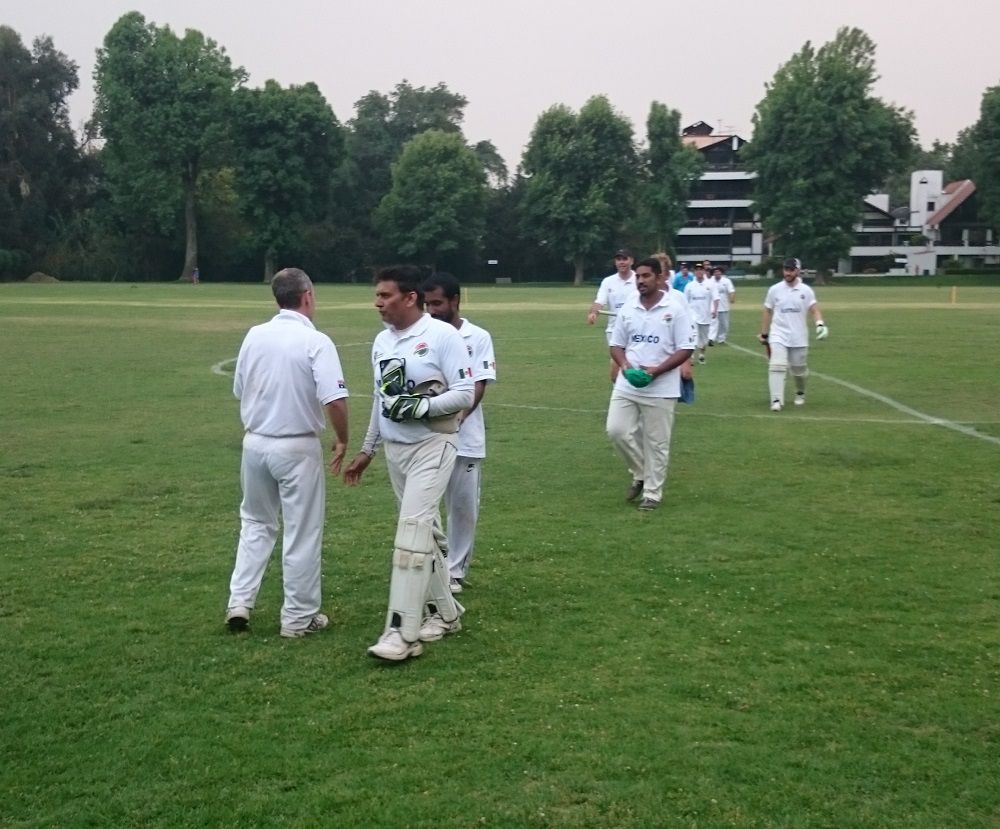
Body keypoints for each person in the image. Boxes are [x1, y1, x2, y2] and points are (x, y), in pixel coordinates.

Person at [343, 265, 474, 662]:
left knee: (412, 533)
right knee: (426, 535)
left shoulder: (442, 336)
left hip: (434, 444)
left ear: (410, 297)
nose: (378, 303)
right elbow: (382, 401)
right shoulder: (382, 342)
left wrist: (423, 406)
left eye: (386, 296)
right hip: (398, 450)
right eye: (377, 296)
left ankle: (402, 633)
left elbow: (465, 393)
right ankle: (448, 616)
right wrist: (368, 450)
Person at [226, 268, 349, 638]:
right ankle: (297, 618)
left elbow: (239, 388)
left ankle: (239, 602)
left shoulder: (254, 335)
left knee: (255, 523)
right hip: (296, 446)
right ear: (308, 296)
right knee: (302, 531)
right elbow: (336, 399)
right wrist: (343, 439)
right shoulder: (317, 341)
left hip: (255, 443)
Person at [422, 272, 497, 594]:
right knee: (423, 506)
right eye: (427, 304)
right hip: (425, 439)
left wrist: (457, 418)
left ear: (455, 301)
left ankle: (454, 572)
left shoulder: (477, 337)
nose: (432, 310)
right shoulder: (422, 335)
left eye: (437, 303)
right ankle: (430, 565)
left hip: (465, 439)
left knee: (462, 509)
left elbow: (478, 384)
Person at [607, 257, 696, 511]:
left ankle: (652, 493)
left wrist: (657, 371)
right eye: (638, 277)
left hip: (661, 386)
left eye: (646, 276)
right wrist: (625, 366)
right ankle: (640, 472)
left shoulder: (675, 308)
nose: (641, 281)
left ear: (660, 278)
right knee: (616, 430)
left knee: (657, 441)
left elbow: (686, 348)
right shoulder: (628, 307)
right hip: (628, 382)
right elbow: (616, 344)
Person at [759, 257, 828, 411]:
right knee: (776, 365)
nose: (787, 273)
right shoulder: (775, 289)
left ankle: (800, 392)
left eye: (791, 270)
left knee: (799, 370)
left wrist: (820, 324)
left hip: (798, 337)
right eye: (785, 269)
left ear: (798, 270)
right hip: (778, 334)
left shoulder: (806, 290)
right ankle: (776, 400)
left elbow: (814, 309)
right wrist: (764, 334)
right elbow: (767, 310)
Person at [587, 248, 636, 382]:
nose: (621, 262)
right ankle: (619, 390)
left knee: (633, 362)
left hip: (636, 328)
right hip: (614, 329)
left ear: (631, 261)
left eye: (625, 259)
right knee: (616, 365)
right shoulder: (608, 282)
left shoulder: (639, 279)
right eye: (618, 259)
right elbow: (599, 301)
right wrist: (593, 312)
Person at [683, 264, 717, 365]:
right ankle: (691, 357)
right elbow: (685, 301)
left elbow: (716, 298)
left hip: (705, 315)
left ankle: (702, 355)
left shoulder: (710, 285)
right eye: (697, 270)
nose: (699, 272)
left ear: (704, 272)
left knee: (704, 338)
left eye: (701, 270)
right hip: (693, 316)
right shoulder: (689, 286)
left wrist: (714, 310)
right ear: (694, 272)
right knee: (694, 336)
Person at [711, 267, 735, 344]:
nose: (717, 273)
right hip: (713, 306)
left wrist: (732, 298)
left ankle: (721, 339)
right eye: (715, 272)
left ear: (721, 273)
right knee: (713, 324)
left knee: (724, 324)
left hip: (724, 306)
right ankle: (712, 338)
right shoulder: (710, 281)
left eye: (718, 272)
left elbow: (731, 290)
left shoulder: (726, 281)